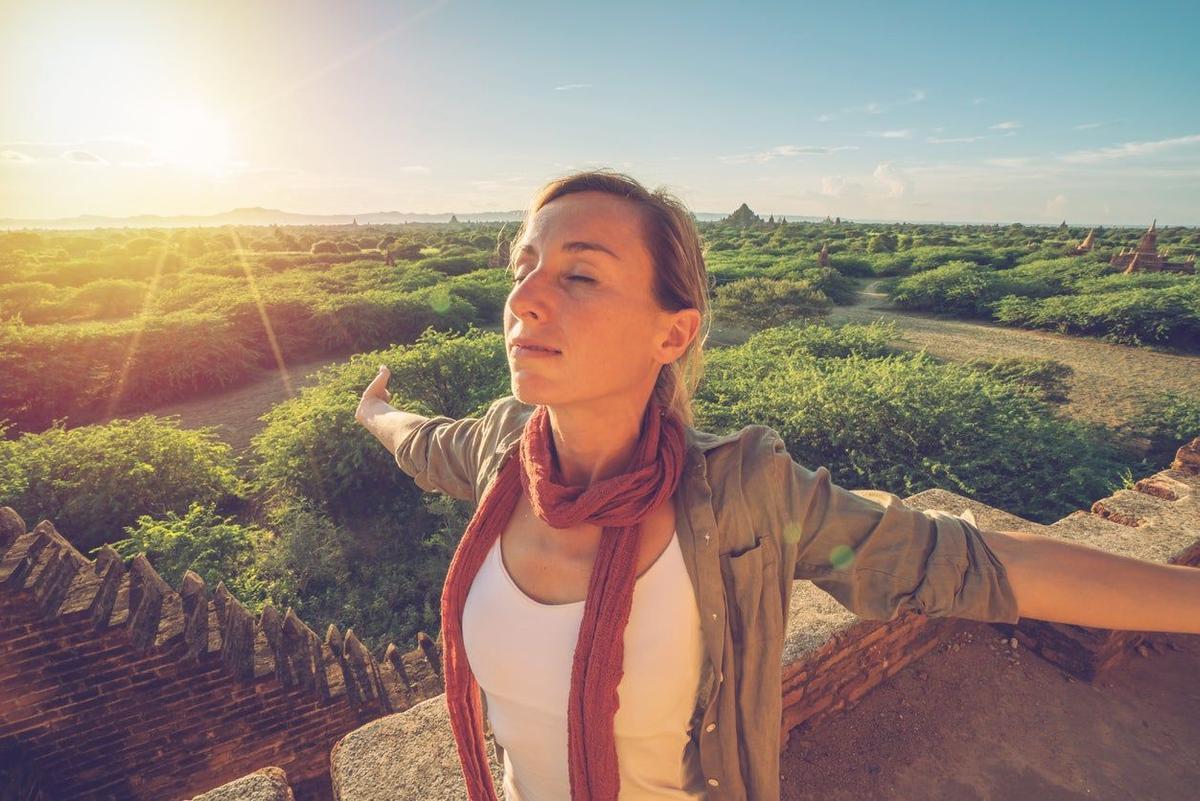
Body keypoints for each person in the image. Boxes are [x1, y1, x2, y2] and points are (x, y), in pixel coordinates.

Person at [356, 169, 1200, 801]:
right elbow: (424, 444)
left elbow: (977, 563)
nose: (524, 298)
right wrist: (375, 412)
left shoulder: (745, 498)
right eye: (522, 265)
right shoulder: (506, 448)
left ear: (672, 331)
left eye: (579, 274)